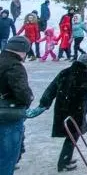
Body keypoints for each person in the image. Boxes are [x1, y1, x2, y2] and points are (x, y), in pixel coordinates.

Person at [38, 54, 87, 172]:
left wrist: (44, 102)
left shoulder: (64, 72)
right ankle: (63, 163)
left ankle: (66, 159)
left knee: (71, 135)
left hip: (62, 109)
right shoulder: (84, 75)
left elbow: (51, 88)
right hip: (75, 111)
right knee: (72, 136)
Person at [0, 36, 33, 175]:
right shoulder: (15, 66)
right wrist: (29, 99)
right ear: (21, 51)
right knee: (7, 158)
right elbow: (22, 92)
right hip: (8, 116)